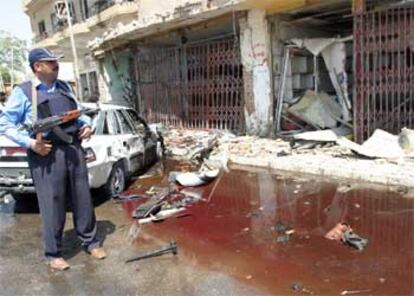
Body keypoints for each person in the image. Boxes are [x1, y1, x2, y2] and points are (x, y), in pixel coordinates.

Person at [0, 48, 106, 270]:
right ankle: (53, 254)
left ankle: (91, 241)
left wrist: (86, 124)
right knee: (52, 203)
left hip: (73, 148)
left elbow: (79, 112)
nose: (56, 65)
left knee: (82, 198)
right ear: (38, 67)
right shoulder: (24, 92)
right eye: (51, 62)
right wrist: (30, 144)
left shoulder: (65, 87)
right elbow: (5, 124)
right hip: (46, 152)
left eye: (56, 62)